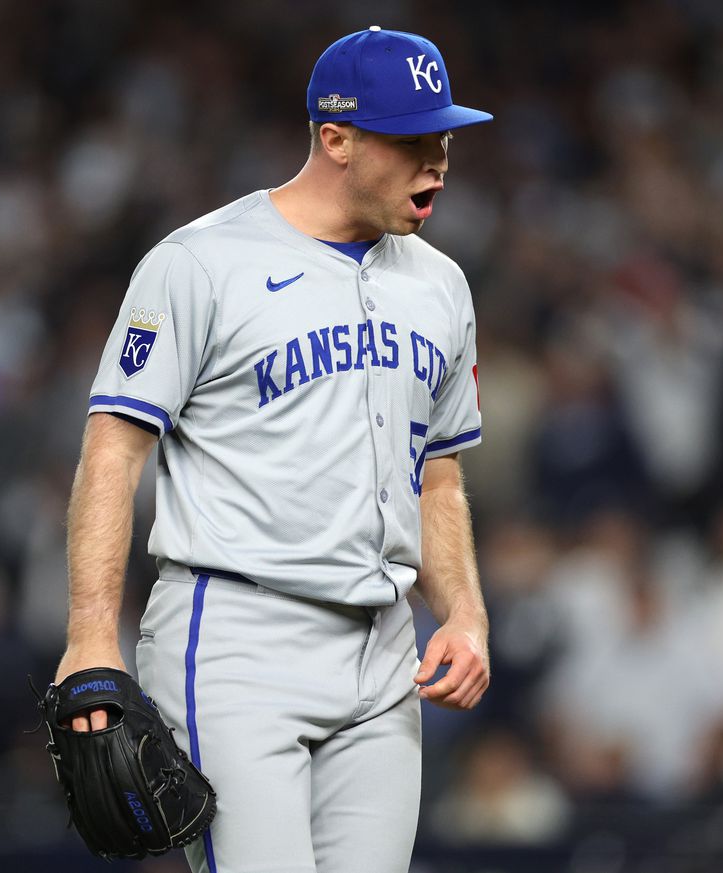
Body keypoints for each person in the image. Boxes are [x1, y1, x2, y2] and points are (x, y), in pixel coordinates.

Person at [55, 26, 493, 873]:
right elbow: (113, 449)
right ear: (336, 137)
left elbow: (437, 474)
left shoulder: (441, 284)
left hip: (382, 650)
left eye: (443, 137)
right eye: (412, 141)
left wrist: (465, 611)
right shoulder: (201, 263)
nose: (437, 160)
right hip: (237, 640)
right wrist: (89, 633)